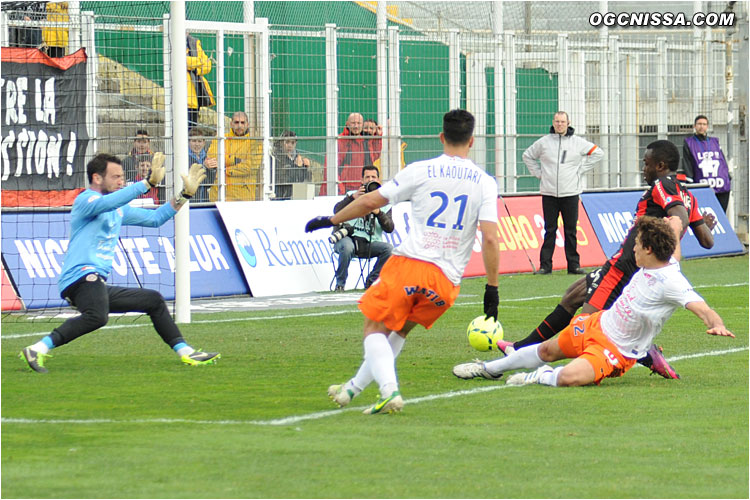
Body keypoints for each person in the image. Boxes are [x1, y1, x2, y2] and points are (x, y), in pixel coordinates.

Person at [305, 109, 500, 414]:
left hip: (412, 265)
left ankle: (389, 391)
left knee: (373, 328)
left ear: (441, 137)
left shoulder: (421, 170)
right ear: (471, 141)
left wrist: (333, 218)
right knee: (398, 331)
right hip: (448, 283)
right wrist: (492, 289)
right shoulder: (485, 183)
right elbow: (490, 237)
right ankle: (351, 390)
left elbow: (371, 201)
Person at [495, 140, 715, 380]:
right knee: (574, 294)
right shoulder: (687, 195)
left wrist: (673, 238)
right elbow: (708, 241)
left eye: (647, 163)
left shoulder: (662, 185)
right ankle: (519, 348)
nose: (643, 168)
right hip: (632, 265)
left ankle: (635, 356)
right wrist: (704, 226)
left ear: (661, 165)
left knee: (584, 326)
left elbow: (678, 215)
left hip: (625, 267)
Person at [453, 216, 734, 386]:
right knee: (547, 351)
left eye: (636, 246)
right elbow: (673, 225)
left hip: (616, 350)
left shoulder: (672, 280)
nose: (632, 250)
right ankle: (488, 369)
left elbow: (703, 309)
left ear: (648, 249)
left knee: (569, 378)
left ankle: (539, 377)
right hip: (597, 324)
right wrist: (674, 222)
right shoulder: (660, 258)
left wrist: (716, 324)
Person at [18, 153, 219, 373]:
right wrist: (148, 183)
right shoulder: (86, 200)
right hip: (79, 278)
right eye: (115, 177)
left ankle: (186, 352)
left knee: (153, 300)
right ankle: (38, 348)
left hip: (95, 282)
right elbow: (109, 202)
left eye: (122, 177)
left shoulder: (118, 208)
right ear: (97, 178)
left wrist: (184, 195)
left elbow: (155, 219)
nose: (121, 181)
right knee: (97, 316)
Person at [523, 111, 604, 275]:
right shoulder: (544, 143)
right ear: (553, 123)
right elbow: (527, 156)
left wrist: (580, 170)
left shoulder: (578, 142)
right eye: (557, 121)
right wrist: (539, 174)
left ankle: (573, 265)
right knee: (549, 229)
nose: (559, 124)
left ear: (568, 123)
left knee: (571, 230)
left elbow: (598, 153)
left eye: (562, 122)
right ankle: (545, 266)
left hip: (571, 193)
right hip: (549, 193)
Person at [331, 165, 394, 291]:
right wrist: (353, 198)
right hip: (348, 239)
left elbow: (389, 228)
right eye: (367, 177)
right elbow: (336, 211)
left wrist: (378, 212)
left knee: (389, 249)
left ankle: (371, 282)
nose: (370, 179)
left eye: (373, 177)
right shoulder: (352, 196)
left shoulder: (385, 203)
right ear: (362, 180)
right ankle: (340, 284)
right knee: (347, 247)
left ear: (378, 180)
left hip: (369, 243)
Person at [207, 111, 263, 201]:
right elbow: (213, 157)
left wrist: (225, 170)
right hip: (219, 195)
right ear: (231, 124)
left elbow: (249, 167)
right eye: (236, 122)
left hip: (242, 196)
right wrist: (235, 160)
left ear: (247, 124)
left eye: (242, 122)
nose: (239, 126)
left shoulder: (255, 142)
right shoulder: (221, 138)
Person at [680, 115, 732, 213]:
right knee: (704, 214)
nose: (701, 126)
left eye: (704, 124)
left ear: (707, 126)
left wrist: (727, 176)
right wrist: (690, 182)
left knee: (721, 213)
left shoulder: (714, 141)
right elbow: (687, 163)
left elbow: (722, 159)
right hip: (702, 184)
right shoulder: (689, 142)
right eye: (699, 124)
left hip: (720, 184)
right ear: (694, 126)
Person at [186, 34, 215, 129]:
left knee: (191, 133)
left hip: (193, 100)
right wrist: (199, 61)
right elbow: (180, 60)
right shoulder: (170, 41)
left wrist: (194, 68)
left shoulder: (194, 43)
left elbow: (208, 65)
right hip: (178, 100)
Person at [333, 112, 366, 195]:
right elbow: (333, 166)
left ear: (362, 125)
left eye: (358, 123)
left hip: (361, 186)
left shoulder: (365, 141)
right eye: (353, 123)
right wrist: (340, 188)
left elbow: (375, 155)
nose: (356, 126)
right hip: (344, 187)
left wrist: (378, 136)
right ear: (347, 124)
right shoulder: (340, 141)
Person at [272, 130, 311, 200]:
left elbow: (301, 179)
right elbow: (285, 180)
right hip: (279, 196)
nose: (290, 145)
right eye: (287, 142)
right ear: (282, 142)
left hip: (292, 195)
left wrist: (305, 167)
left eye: (292, 143)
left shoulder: (296, 156)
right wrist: (297, 167)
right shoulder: (277, 157)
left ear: (295, 144)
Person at [188, 128, 217, 203]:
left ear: (204, 143)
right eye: (194, 141)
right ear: (188, 142)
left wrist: (212, 169)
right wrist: (204, 167)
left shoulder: (207, 157)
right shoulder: (184, 157)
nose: (197, 144)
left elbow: (209, 183)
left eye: (199, 141)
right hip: (189, 199)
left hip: (204, 199)